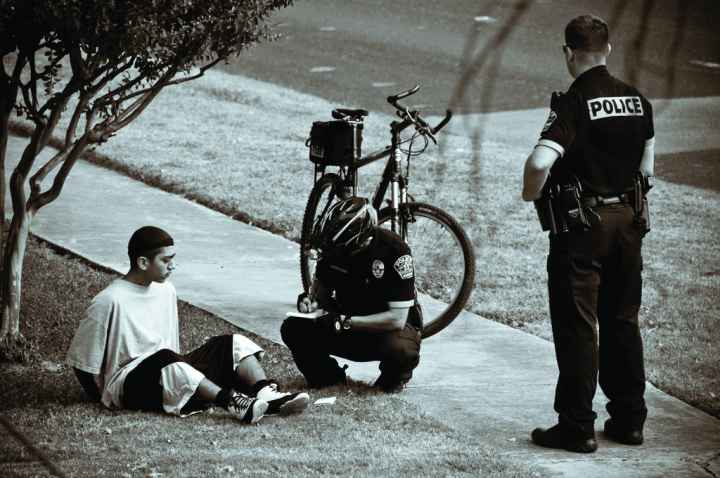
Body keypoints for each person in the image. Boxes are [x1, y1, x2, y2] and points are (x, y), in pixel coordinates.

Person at [522, 15, 654, 453]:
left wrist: (529, 195)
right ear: (609, 50)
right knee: (623, 320)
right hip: (628, 223)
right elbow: (646, 169)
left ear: (567, 53)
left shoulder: (574, 101)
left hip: (581, 228)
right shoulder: (637, 100)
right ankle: (630, 420)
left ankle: (577, 426)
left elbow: (541, 162)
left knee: (579, 327)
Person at [66, 226, 309, 423]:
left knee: (231, 342)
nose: (172, 266)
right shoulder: (109, 300)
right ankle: (233, 402)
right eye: (165, 260)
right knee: (165, 358)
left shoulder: (166, 290)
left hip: (171, 372)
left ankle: (266, 394)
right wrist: (103, 398)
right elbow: (83, 363)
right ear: (142, 262)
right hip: (131, 384)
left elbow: (172, 356)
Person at [281, 197, 422, 392]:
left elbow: (397, 319)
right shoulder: (332, 249)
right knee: (293, 327)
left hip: (383, 331)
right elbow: (319, 294)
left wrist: (346, 321)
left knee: (402, 350)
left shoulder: (395, 251)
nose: (335, 254)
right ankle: (327, 379)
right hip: (344, 323)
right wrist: (309, 302)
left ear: (361, 240)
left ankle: (391, 381)